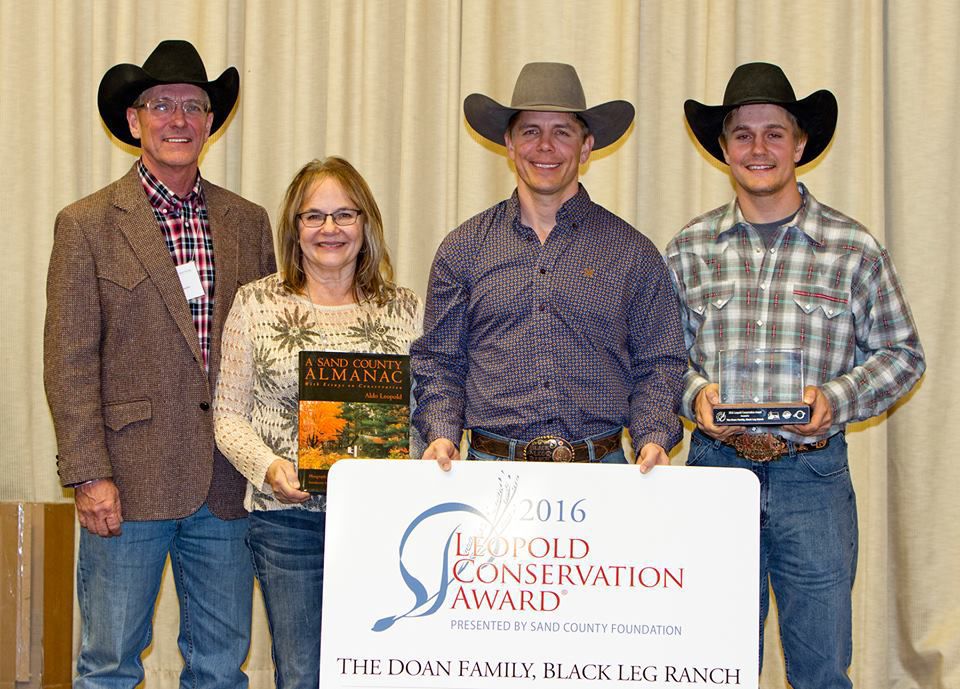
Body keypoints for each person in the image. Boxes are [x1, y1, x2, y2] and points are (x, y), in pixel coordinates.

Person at [666, 62, 925, 688]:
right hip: (715, 474)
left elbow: (903, 353)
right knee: (711, 662)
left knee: (820, 669)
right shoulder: (689, 249)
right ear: (723, 148)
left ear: (800, 144)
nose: (759, 148)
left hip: (812, 478)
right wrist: (695, 393)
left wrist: (836, 399)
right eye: (744, 134)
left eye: (774, 133)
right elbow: (660, 359)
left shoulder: (852, 247)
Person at [43, 40, 275, 687]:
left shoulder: (247, 222)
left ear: (210, 121)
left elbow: (270, 350)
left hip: (227, 483)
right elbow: (68, 360)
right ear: (133, 121)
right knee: (109, 662)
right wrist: (88, 474)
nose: (179, 119)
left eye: (194, 106)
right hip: (127, 480)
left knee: (220, 663)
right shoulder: (86, 224)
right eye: (162, 104)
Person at [411, 62, 687, 472]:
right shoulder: (464, 248)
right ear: (509, 143)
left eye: (562, 132)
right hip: (491, 475)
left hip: (603, 473)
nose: (545, 146)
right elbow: (439, 361)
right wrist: (440, 432)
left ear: (586, 145)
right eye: (530, 131)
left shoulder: (633, 253)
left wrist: (654, 436)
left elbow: (660, 362)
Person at [213, 156, 423, 688]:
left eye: (344, 215)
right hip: (288, 523)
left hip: (384, 523)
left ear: (366, 224)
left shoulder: (406, 310)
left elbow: (426, 413)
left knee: (380, 669)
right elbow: (229, 416)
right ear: (294, 228)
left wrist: (419, 463)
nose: (330, 229)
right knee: (303, 672)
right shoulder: (256, 303)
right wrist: (268, 469)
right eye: (314, 216)